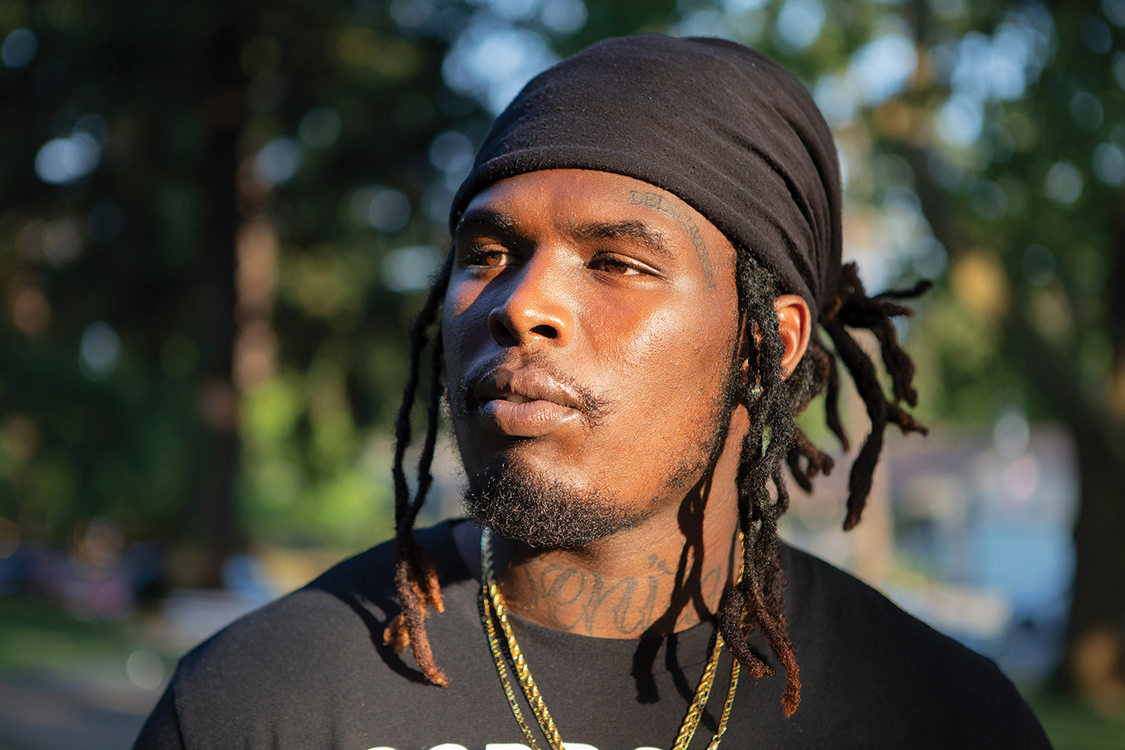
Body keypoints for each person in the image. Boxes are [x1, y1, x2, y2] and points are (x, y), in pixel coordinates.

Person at [135, 35, 1051, 749]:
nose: (520, 304)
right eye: (486, 255)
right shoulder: (259, 703)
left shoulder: (943, 721)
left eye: (615, 262)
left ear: (767, 345)